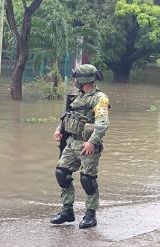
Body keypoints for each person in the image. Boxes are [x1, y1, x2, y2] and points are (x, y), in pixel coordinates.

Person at [50, 64, 110, 228]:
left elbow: (103, 124)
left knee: (87, 179)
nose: (74, 81)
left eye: (76, 78)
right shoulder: (76, 96)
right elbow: (68, 116)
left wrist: (92, 142)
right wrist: (59, 129)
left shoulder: (99, 98)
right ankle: (67, 210)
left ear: (84, 79)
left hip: (88, 144)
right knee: (62, 173)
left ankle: (90, 214)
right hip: (71, 142)